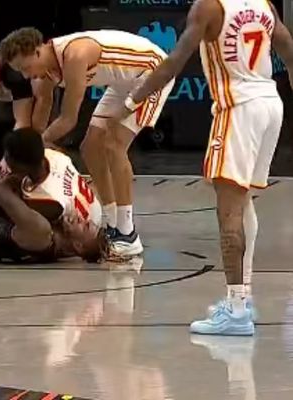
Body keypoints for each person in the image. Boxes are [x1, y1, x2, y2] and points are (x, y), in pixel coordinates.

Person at [109, 0, 293, 336]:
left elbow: (173, 62)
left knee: (229, 210)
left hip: (238, 107)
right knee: (243, 200)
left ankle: (236, 310)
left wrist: (130, 102)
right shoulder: (264, 4)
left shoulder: (208, 6)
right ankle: (243, 298)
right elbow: (289, 52)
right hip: (270, 104)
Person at [0, 28, 174, 259]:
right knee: (89, 147)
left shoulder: (75, 56)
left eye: (25, 67)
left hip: (153, 74)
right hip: (124, 83)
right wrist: (31, 147)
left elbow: (69, 119)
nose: (25, 75)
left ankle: (128, 234)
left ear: (37, 51)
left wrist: (38, 145)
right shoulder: (45, 70)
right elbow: (43, 106)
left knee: (114, 145)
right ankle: (113, 223)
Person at [0, 48, 55, 174]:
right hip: (3, 98)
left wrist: (8, 158)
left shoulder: (14, 73)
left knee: (29, 137)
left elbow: (22, 121)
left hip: (32, 97)